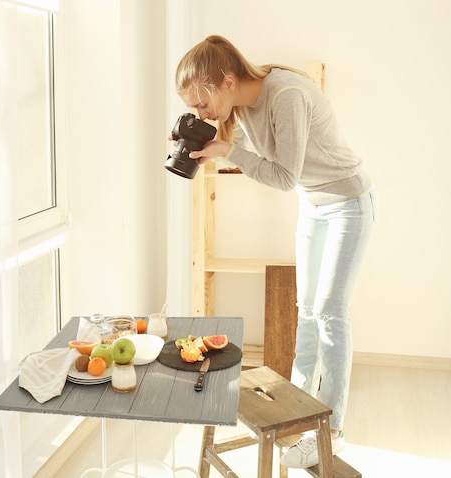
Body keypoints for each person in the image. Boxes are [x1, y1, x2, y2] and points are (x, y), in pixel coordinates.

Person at [172, 35, 377, 469]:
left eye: (201, 102)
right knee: (306, 310)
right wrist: (200, 140)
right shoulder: (240, 104)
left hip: (348, 204)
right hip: (314, 205)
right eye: (193, 107)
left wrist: (228, 148)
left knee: (331, 314)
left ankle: (334, 430)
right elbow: (263, 163)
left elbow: (284, 177)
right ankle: (297, 414)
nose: (200, 112)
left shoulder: (285, 95)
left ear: (226, 81)